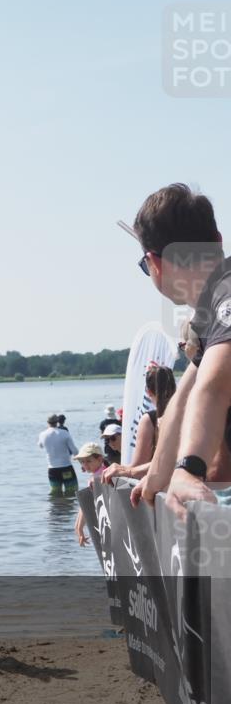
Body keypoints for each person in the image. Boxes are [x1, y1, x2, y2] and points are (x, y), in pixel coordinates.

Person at [124, 184, 231, 518]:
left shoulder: (226, 293)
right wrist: (155, 476)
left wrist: (188, 469)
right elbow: (186, 398)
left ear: (155, 262)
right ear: (217, 240)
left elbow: (215, 383)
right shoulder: (209, 311)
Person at [73, 443, 107, 547]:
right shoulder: (98, 473)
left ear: (100, 459)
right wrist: (77, 526)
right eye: (82, 462)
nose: (85, 465)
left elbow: (87, 503)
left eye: (89, 461)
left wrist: (79, 527)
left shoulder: (99, 477)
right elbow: (85, 503)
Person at [37, 413, 79, 497]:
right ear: (57, 422)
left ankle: (57, 509)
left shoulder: (42, 434)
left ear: (47, 422)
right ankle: (68, 509)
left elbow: (40, 445)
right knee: (72, 491)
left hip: (52, 470)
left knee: (55, 493)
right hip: (66, 468)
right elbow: (75, 451)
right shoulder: (64, 433)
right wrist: (82, 463)